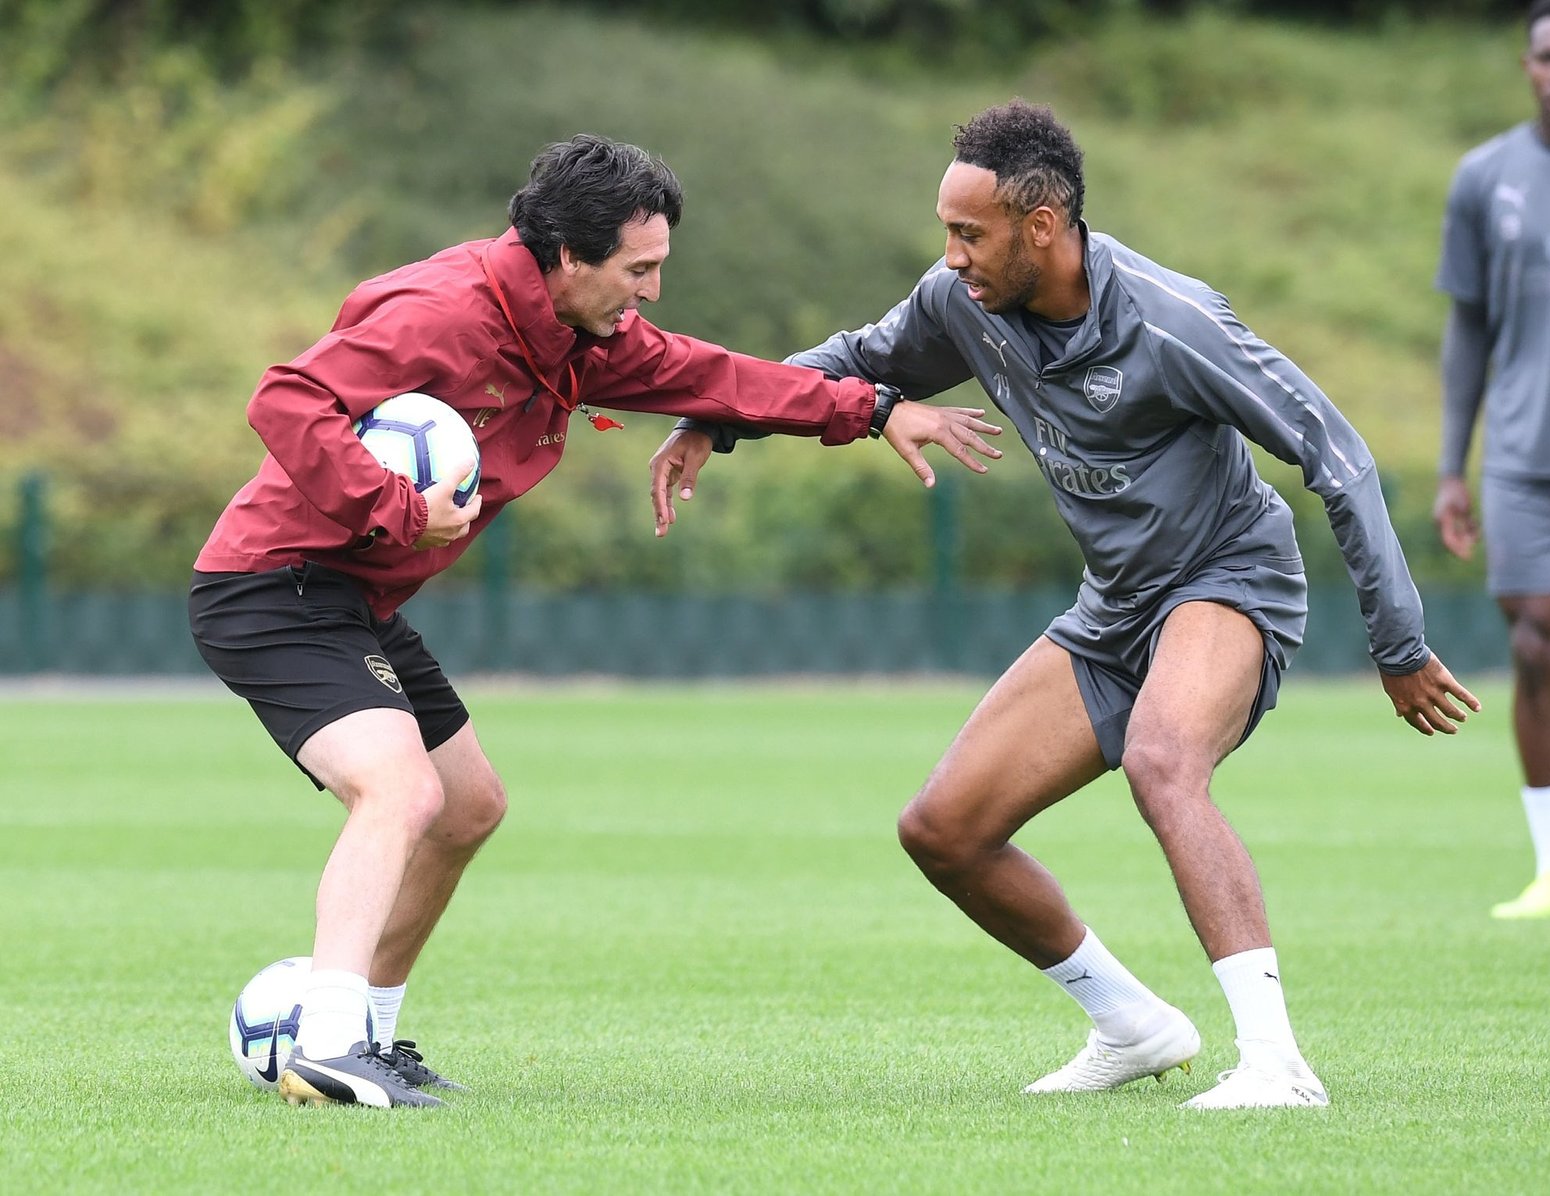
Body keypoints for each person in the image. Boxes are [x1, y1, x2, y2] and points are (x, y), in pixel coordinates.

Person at [649, 99, 1481, 1109]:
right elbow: (853, 361)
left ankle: (1276, 1063)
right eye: (947, 231)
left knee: (1163, 760)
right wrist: (717, 420)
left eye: (969, 233)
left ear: (1040, 226)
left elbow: (1336, 455)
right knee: (943, 829)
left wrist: (1398, 642)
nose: (951, 256)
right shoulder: (961, 302)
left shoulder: (1173, 323)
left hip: (1227, 578)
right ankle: (1133, 1024)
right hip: (1114, 607)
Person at [189, 134, 1000, 1108]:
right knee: (399, 790)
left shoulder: (572, 337)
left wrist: (870, 408)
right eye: (638, 269)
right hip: (271, 588)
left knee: (467, 806)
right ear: (569, 256)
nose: (651, 291)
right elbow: (288, 398)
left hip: (350, 599)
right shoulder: (444, 314)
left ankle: (371, 1034)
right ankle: (324, 1046)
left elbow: (713, 375)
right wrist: (393, 506)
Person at [1433, 0, 1550, 921]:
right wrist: (1451, 467)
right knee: (1537, 640)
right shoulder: (1485, 176)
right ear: (1529, 67)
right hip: (1526, 456)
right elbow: (1468, 328)